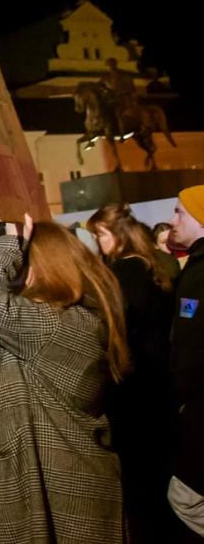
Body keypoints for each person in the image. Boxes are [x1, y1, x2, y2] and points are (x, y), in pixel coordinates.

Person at [0, 215, 126, 543]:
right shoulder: (69, 317)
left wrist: (12, 244)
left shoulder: (54, 325)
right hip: (60, 477)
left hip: (57, 485)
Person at [87, 204, 177, 542]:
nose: (98, 242)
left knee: (140, 480)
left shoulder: (125, 271)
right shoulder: (153, 263)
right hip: (158, 380)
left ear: (116, 234)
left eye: (100, 234)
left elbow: (120, 326)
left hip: (136, 384)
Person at [166, 185, 204, 539]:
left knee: (186, 496)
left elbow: (190, 345)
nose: (172, 220)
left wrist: (180, 395)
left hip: (199, 406)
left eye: (180, 212)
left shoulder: (200, 270)